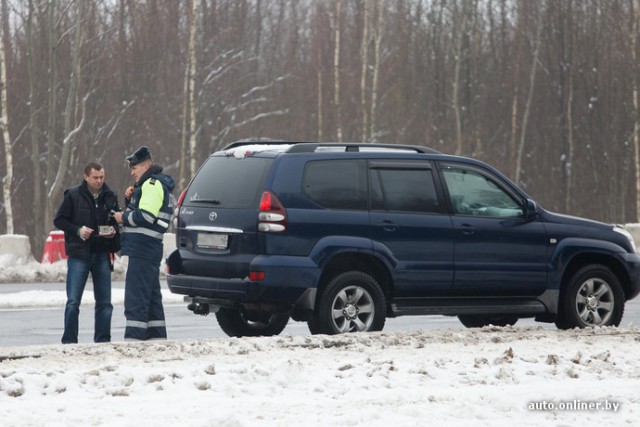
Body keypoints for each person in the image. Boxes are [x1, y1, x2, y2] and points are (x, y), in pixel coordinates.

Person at [54, 162, 120, 344]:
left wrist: (113, 230)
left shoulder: (110, 195)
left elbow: (116, 219)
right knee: (73, 301)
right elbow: (59, 220)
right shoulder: (73, 195)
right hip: (79, 254)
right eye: (95, 178)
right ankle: (69, 341)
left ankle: (103, 341)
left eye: (101, 177)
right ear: (86, 177)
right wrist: (77, 230)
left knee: (105, 303)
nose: (99, 181)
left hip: (102, 254)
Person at [114, 146, 175, 341]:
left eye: (134, 168)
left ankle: (134, 339)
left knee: (136, 297)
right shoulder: (151, 185)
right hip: (149, 248)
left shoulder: (150, 184)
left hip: (142, 248)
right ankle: (156, 338)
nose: (132, 172)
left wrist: (121, 217)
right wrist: (130, 199)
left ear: (145, 165)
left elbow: (147, 216)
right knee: (151, 296)